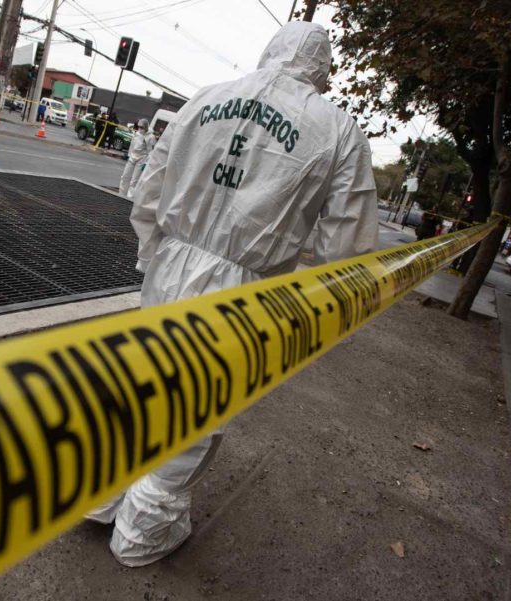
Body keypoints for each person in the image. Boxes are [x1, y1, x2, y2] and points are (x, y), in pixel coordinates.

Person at [89, 21, 378, 567]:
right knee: (196, 406)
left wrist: (153, 253)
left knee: (137, 380)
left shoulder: (205, 100)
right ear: (323, 67)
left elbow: (150, 186)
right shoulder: (338, 131)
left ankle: (96, 499)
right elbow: (347, 243)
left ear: (270, 51)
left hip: (172, 261)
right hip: (246, 287)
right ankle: (141, 533)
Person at [119, 118, 152, 197]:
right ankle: (121, 194)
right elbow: (132, 145)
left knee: (134, 181)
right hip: (132, 157)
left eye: (142, 127)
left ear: (146, 127)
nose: (140, 129)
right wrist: (128, 154)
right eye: (139, 127)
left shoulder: (150, 137)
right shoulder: (137, 134)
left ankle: (129, 197)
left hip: (141, 159)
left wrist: (146, 163)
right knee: (125, 176)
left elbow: (150, 151)